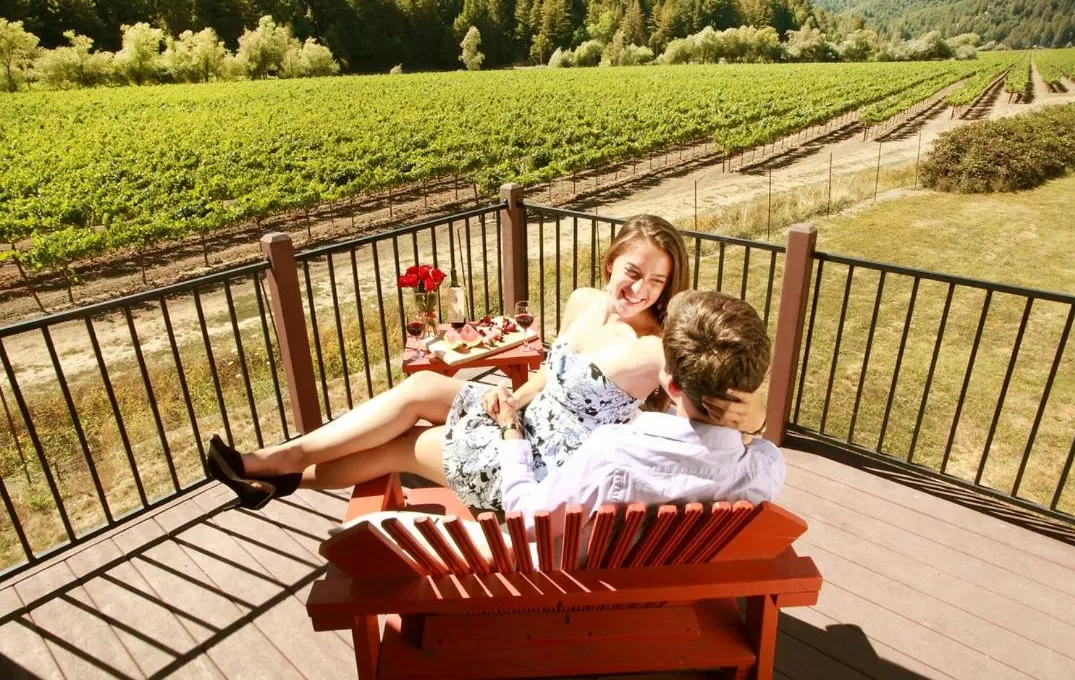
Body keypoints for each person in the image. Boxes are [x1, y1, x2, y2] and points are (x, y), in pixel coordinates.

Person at [207, 215, 763, 511]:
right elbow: (551, 375)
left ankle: (282, 480)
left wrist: (753, 417)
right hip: (521, 419)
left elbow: (720, 378)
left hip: (543, 465)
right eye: (632, 271)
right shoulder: (582, 302)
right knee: (422, 387)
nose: (640, 289)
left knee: (401, 448)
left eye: (658, 281)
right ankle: (272, 460)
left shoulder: (653, 347)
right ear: (611, 260)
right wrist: (513, 398)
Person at [493, 289, 784, 536]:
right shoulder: (765, 469)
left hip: (587, 590)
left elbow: (526, 518)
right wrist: (757, 422)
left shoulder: (612, 453)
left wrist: (511, 434)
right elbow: (754, 446)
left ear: (670, 386)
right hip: (676, 589)